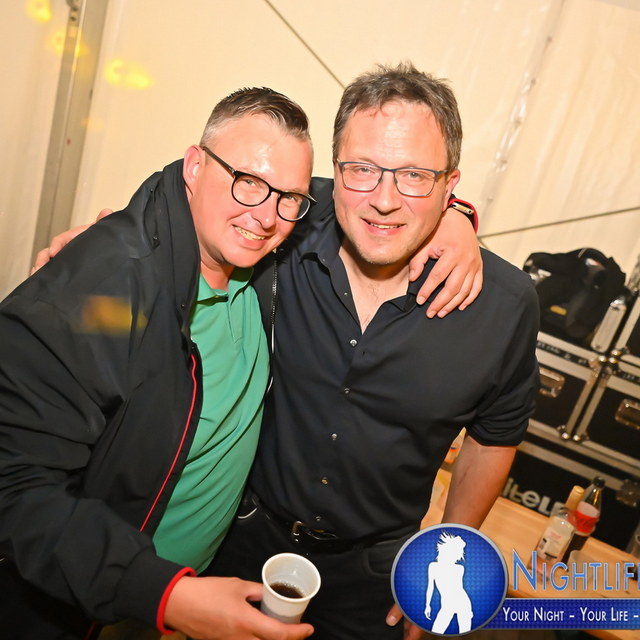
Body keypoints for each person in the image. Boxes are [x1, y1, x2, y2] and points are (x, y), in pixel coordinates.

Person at [0, 82, 481, 639]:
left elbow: (379, 198)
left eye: (288, 197)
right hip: (97, 602)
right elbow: (15, 487)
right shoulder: (103, 293)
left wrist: (456, 218)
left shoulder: (261, 268)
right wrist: (166, 595)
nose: (265, 215)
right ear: (194, 166)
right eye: (247, 181)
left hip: (194, 591)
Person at [205, 63, 539, 640]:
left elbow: (494, 437)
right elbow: (197, 184)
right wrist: (103, 240)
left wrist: (444, 554)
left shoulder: (504, 305)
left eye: (414, 175)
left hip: (376, 581)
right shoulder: (282, 226)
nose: (383, 200)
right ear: (333, 172)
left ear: (450, 186)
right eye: (361, 169)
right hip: (241, 539)